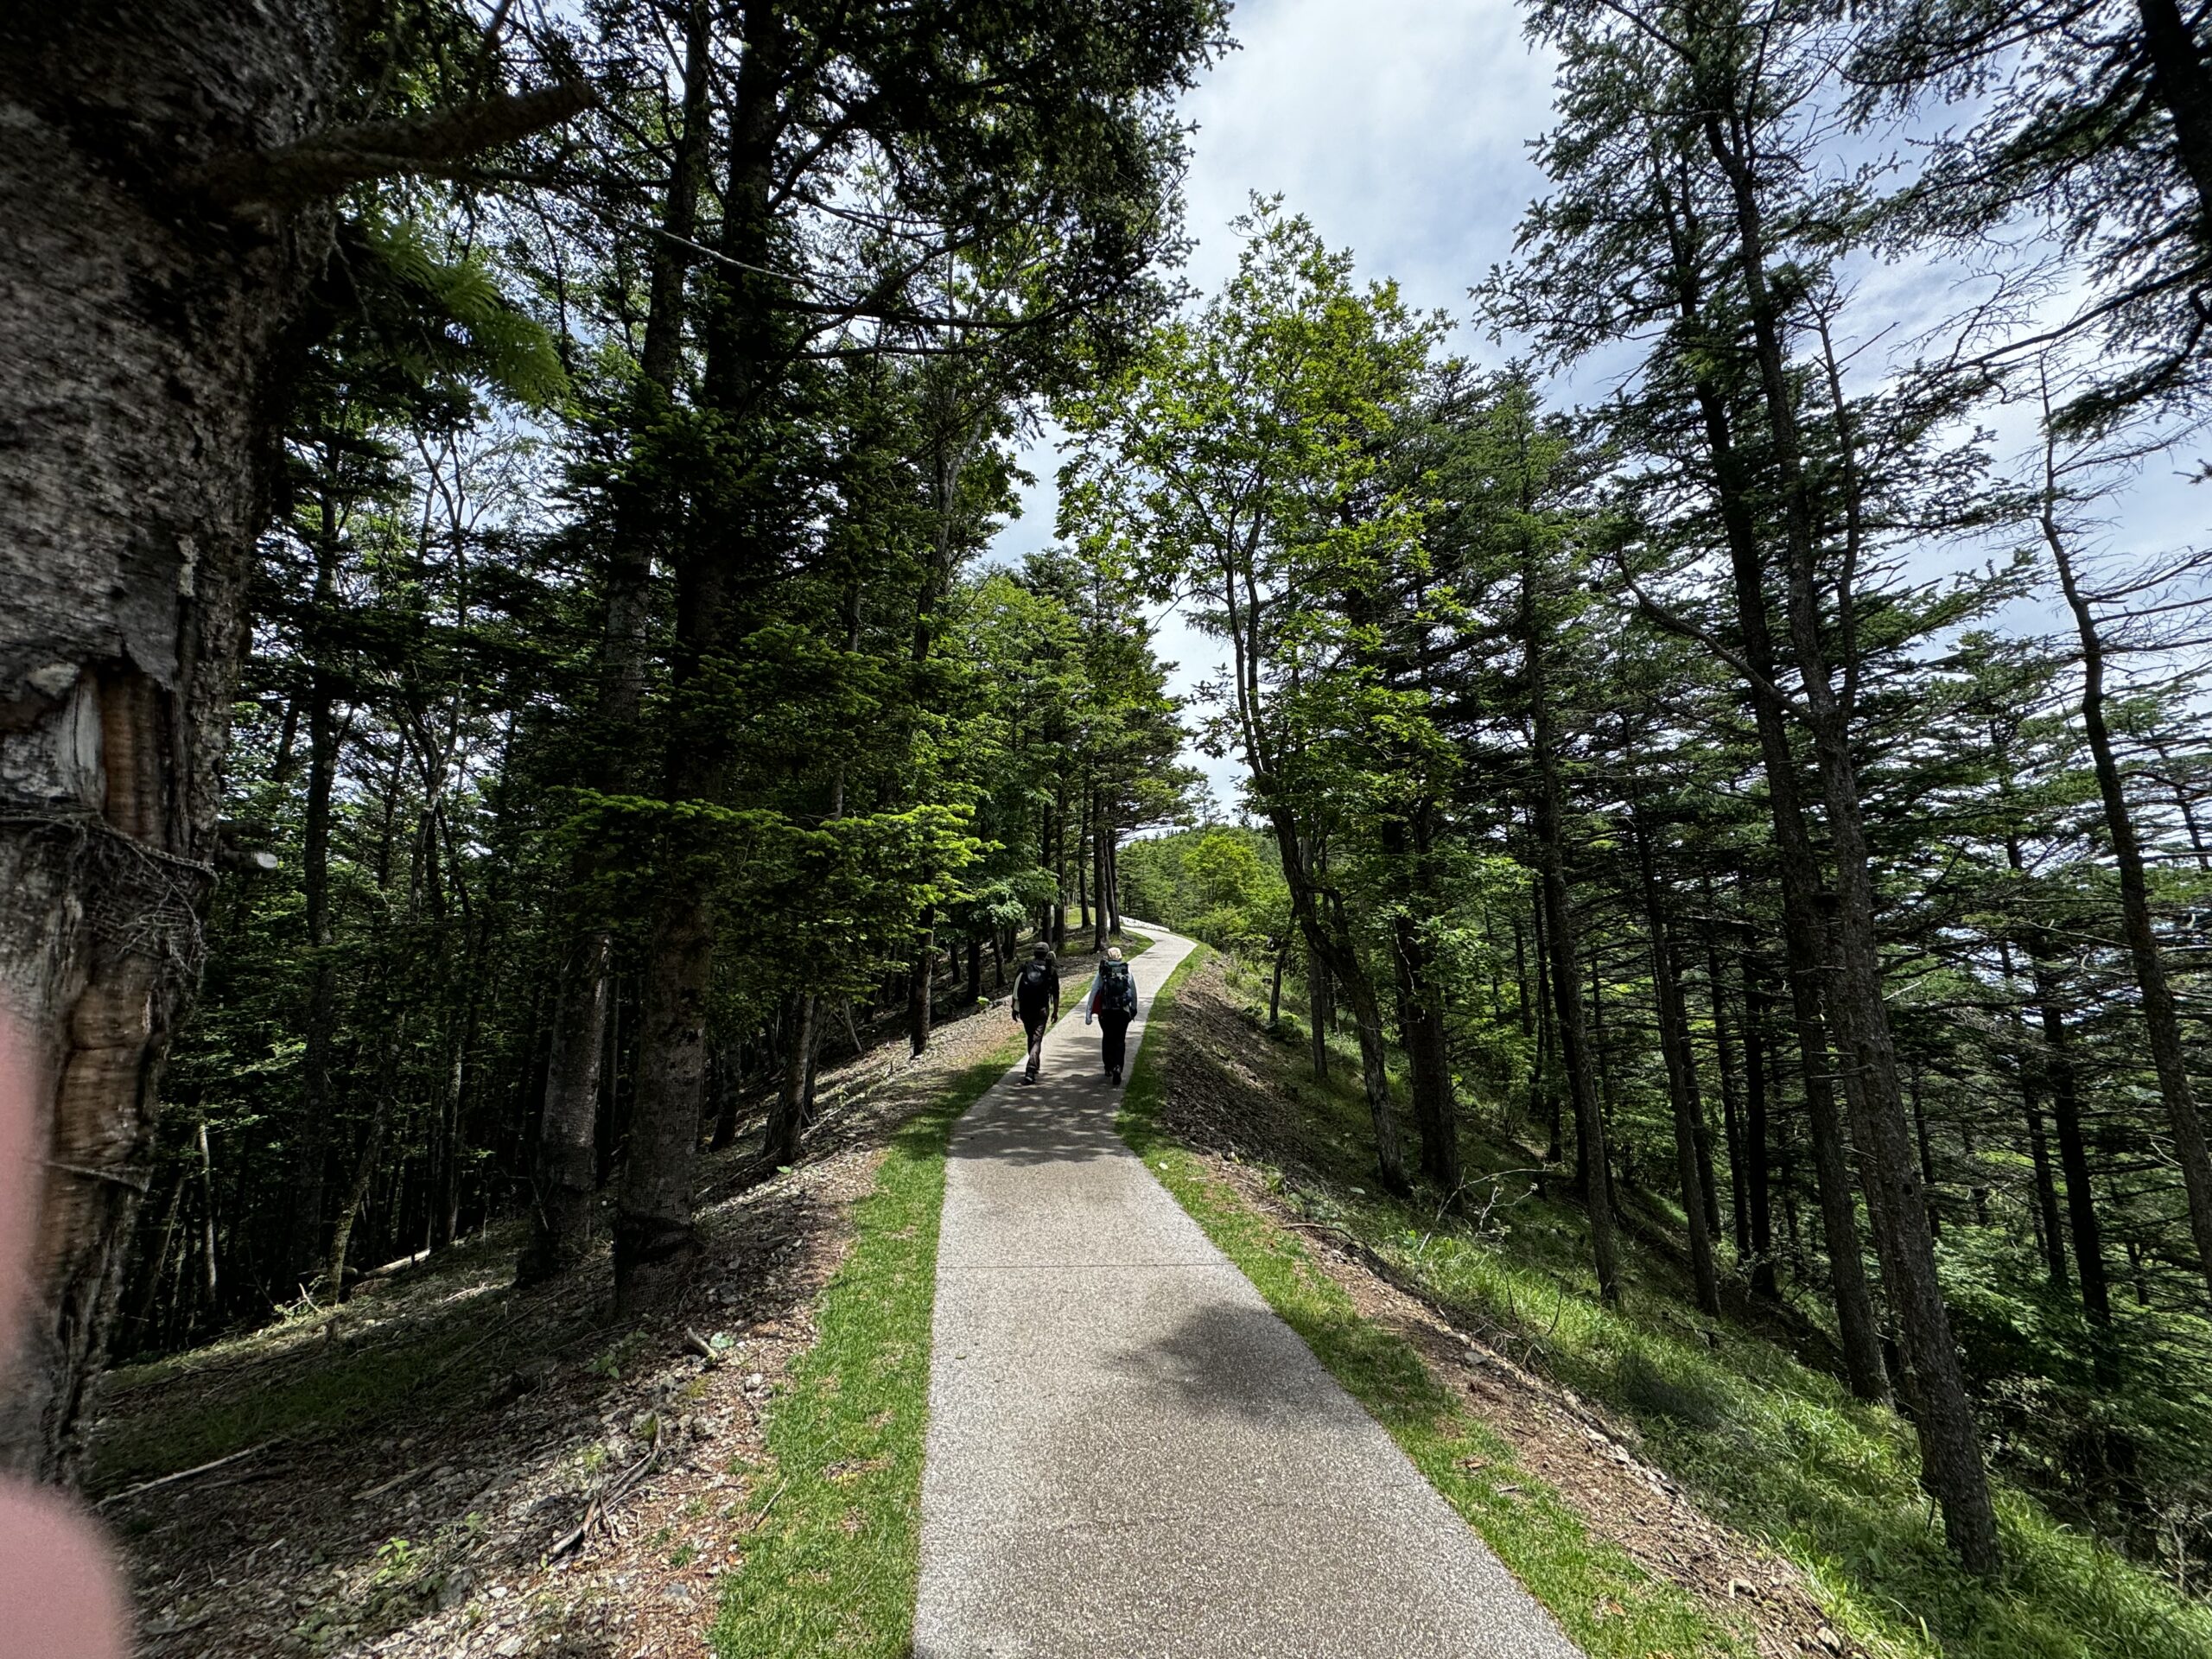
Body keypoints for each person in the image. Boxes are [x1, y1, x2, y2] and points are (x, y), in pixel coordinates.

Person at [1084, 946, 1139, 1084]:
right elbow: (1133, 990)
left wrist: (1089, 1013)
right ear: (1120, 957)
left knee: (1108, 1037)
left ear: (1108, 957)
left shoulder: (1103, 971)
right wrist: (1134, 1008)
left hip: (1106, 1011)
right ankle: (1118, 1067)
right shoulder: (1127, 970)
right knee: (1120, 1039)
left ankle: (1108, 1067)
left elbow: (1094, 991)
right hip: (1123, 1011)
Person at [1011, 942, 1060, 1084]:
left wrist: (1014, 1008)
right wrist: (1055, 1011)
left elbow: (1015, 989)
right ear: (1046, 954)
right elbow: (1056, 993)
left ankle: (1033, 1065)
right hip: (1041, 1010)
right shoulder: (1050, 970)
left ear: (1034, 953)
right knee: (1036, 1039)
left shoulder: (1025, 967)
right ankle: (1031, 1069)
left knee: (1031, 1037)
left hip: (1025, 1009)